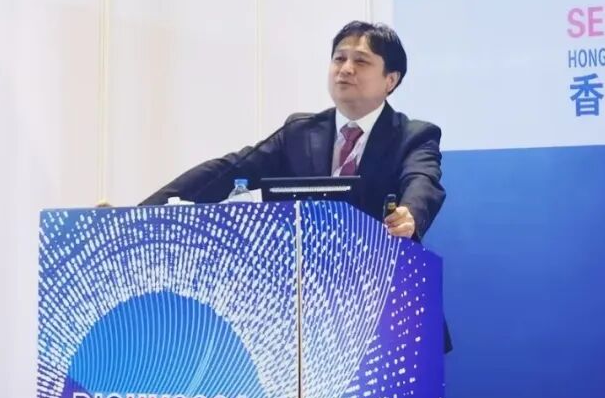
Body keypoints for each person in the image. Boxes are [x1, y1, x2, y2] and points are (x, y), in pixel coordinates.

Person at [141, 20, 445, 241]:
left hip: (380, 279)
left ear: (390, 80)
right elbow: (226, 171)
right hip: (303, 286)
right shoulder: (300, 132)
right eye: (339, 58)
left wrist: (410, 214)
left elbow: (423, 183)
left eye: (361, 61)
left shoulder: (413, 136)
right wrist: (144, 211)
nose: (345, 69)